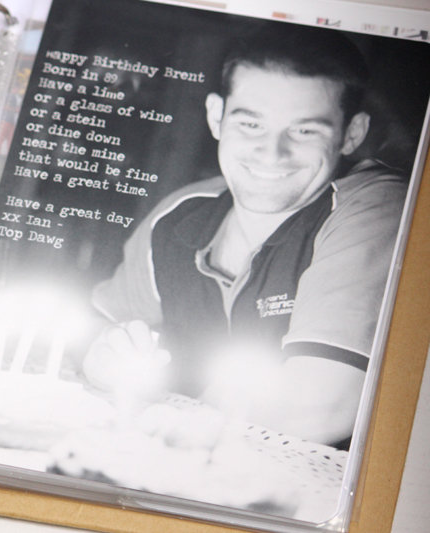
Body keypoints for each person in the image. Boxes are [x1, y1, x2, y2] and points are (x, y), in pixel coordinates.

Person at [82, 26, 407, 448]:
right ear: (216, 116)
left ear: (352, 134)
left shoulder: (379, 206)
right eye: (251, 123)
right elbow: (99, 332)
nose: (272, 153)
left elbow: (321, 409)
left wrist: (159, 416)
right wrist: (103, 359)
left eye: (305, 131)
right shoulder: (179, 213)